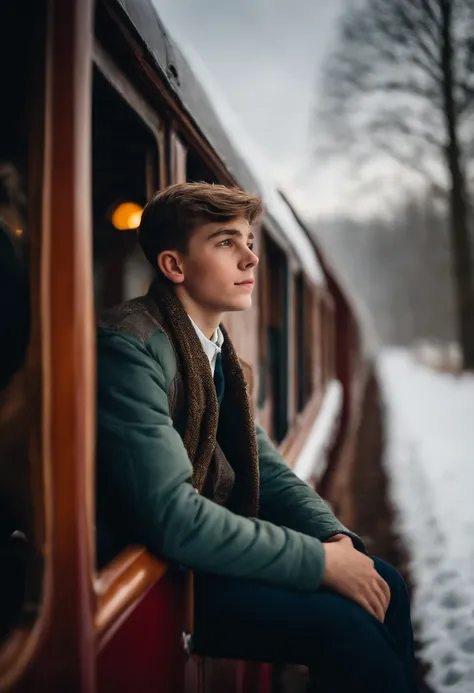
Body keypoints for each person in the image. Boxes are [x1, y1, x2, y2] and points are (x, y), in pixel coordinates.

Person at [96, 182, 418, 692]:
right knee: (348, 628)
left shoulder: (217, 353)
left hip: (200, 559)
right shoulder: (128, 348)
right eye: (226, 242)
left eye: (249, 240)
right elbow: (171, 518)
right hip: (164, 578)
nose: (250, 258)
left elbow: (264, 466)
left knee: (388, 585)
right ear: (174, 266)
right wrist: (318, 564)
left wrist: (333, 539)